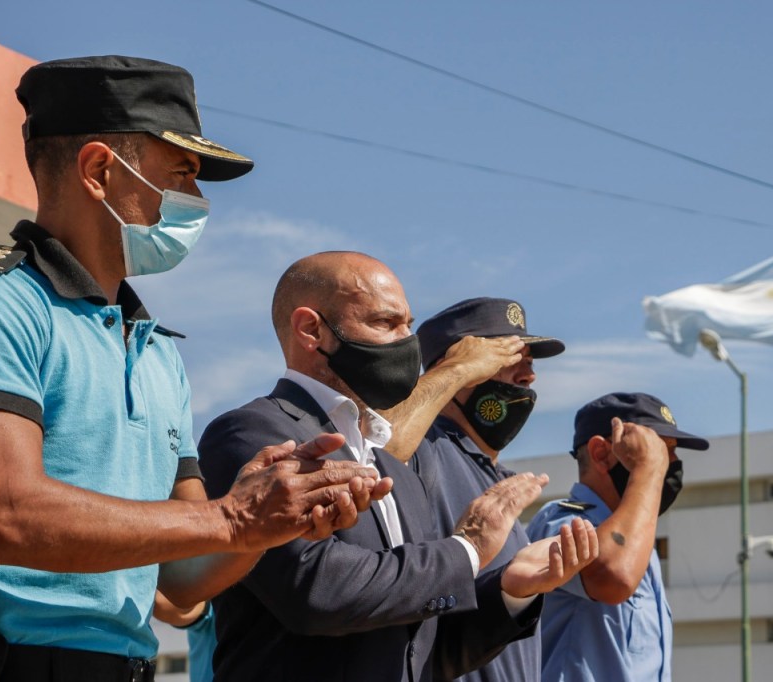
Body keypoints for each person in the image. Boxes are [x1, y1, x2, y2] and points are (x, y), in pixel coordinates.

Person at [0, 56, 390, 681]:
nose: (195, 200)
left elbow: (176, 587)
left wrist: (270, 523)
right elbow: (3, 515)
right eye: (182, 173)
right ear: (101, 170)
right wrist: (231, 516)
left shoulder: (156, 350)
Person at [198, 252, 598, 682]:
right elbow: (317, 590)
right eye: (386, 323)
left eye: (408, 324)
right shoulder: (253, 431)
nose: (407, 343)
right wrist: (467, 551)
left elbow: (421, 654)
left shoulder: (391, 466)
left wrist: (510, 592)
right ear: (312, 330)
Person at [392, 296, 565, 682]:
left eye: (530, 362)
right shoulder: (420, 448)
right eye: (507, 357)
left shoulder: (498, 478)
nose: (528, 376)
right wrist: (450, 372)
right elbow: (374, 446)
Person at [526, 392, 711, 682]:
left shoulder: (639, 543)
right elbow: (614, 577)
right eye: (659, 450)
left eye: (671, 453)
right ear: (602, 454)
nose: (668, 463)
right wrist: (647, 470)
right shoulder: (563, 521)